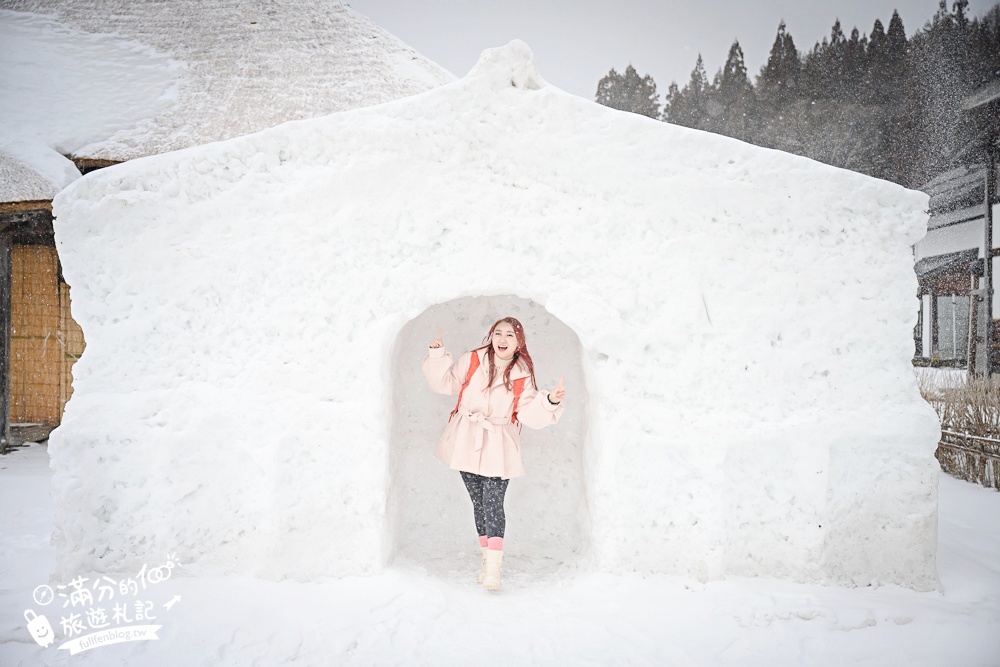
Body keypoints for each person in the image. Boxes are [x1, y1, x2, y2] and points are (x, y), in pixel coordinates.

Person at [422, 317, 566, 591]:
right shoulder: (473, 360)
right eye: (498, 333)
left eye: (510, 335)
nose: (502, 338)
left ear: (519, 342)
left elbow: (527, 413)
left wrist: (550, 402)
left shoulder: (522, 373)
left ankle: (494, 570)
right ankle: (487, 563)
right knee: (479, 502)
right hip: (467, 437)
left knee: (493, 502)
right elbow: (444, 384)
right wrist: (437, 355)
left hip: (499, 443)